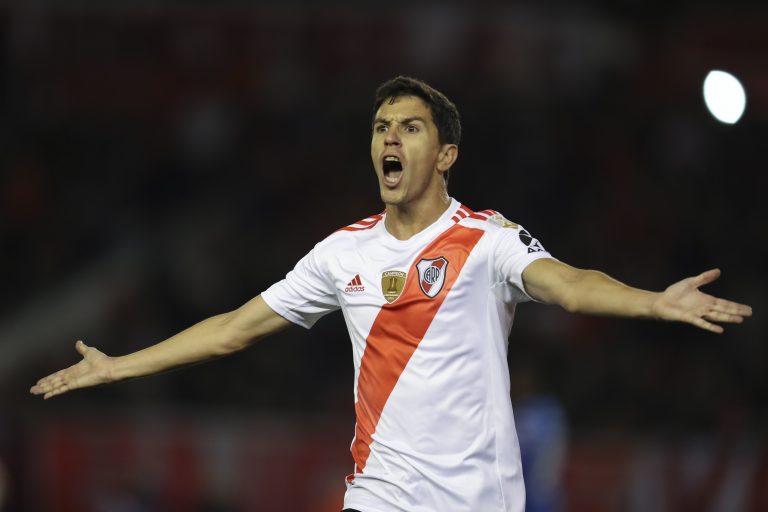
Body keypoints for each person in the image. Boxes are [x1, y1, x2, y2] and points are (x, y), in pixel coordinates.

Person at [31, 76, 752, 512]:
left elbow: (567, 285)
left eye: (410, 127)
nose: (391, 139)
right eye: (382, 128)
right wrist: (119, 365)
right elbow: (233, 329)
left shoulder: (487, 238)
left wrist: (652, 301)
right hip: (380, 495)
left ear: (445, 155)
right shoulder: (342, 252)